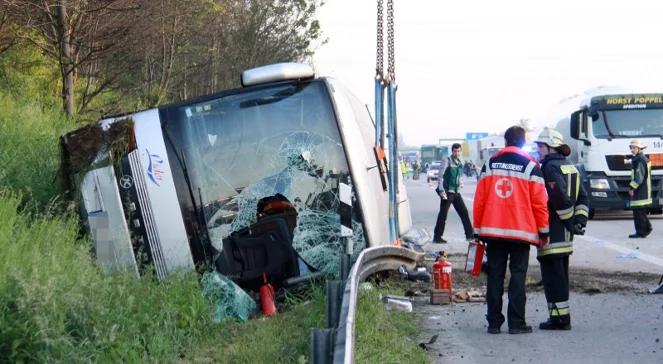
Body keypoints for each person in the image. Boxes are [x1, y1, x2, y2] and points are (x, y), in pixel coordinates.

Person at [473, 126, 549, 335]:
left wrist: (477, 230)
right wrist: (543, 231)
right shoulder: (531, 166)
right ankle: (517, 323)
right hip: (520, 233)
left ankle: (494, 323)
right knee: (518, 276)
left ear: (505, 142)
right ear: (523, 141)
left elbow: (479, 200)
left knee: (495, 276)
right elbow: (540, 204)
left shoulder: (490, 164)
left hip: (493, 232)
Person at [534, 127, 588, 331]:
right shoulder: (570, 166)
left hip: (553, 232)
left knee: (553, 278)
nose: (538, 149)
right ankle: (559, 317)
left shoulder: (549, 168)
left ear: (551, 147)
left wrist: (569, 221)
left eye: (541, 146)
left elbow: (559, 199)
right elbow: (583, 197)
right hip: (566, 236)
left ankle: (560, 320)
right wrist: (579, 221)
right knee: (560, 276)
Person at [433, 143, 474, 244]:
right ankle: (437, 237)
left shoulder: (459, 162)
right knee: (443, 215)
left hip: (456, 193)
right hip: (447, 192)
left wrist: (460, 182)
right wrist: (441, 190)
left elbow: (457, 176)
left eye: (459, 151)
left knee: (464, 212)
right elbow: (441, 176)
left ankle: (470, 235)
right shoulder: (447, 160)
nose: (457, 153)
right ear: (452, 151)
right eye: (455, 151)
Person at [627, 140, 653, 238]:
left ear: (639, 149)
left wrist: (631, 188)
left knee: (638, 212)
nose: (632, 150)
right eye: (631, 148)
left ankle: (641, 232)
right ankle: (647, 228)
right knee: (640, 212)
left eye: (634, 148)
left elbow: (639, 177)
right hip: (643, 189)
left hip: (640, 190)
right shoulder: (642, 158)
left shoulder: (640, 160)